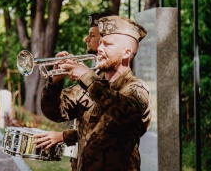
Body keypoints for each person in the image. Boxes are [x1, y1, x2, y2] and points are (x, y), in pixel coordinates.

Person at [35, 15, 151, 170]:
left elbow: (121, 112)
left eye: (107, 45)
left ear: (126, 53)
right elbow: (54, 112)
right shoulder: (88, 86)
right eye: (101, 43)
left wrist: (86, 77)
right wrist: (55, 82)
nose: (100, 49)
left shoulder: (137, 89)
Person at [33, 12, 111, 171]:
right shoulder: (86, 83)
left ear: (106, 41)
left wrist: (63, 136)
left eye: (92, 35)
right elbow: (54, 112)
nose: (86, 39)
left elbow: (108, 129)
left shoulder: (123, 85)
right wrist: (55, 81)